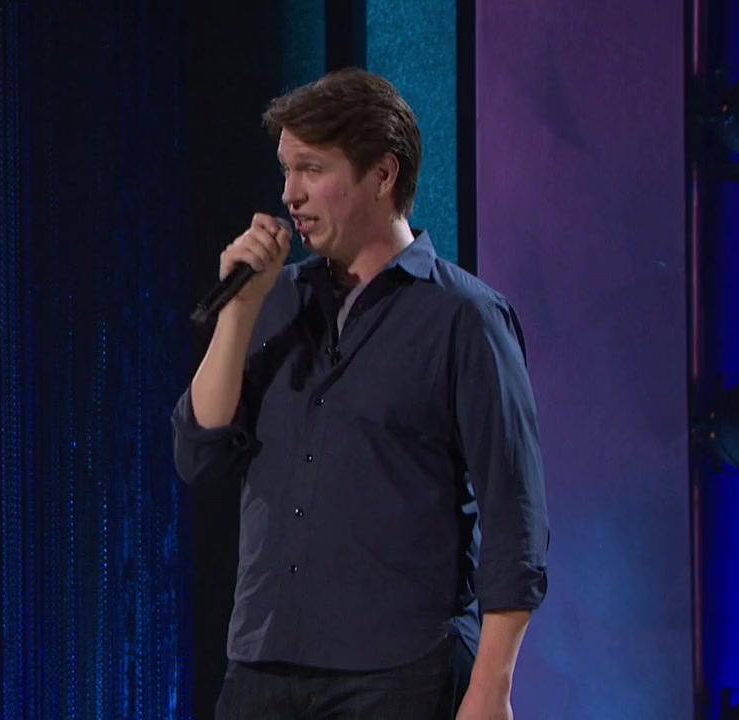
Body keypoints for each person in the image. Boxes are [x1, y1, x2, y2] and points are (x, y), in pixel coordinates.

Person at [170, 68, 549, 720]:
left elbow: (515, 513)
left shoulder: (465, 318)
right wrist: (239, 310)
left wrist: (492, 685)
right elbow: (198, 455)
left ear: (382, 174)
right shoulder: (274, 301)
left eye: (312, 169)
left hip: (400, 671)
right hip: (263, 664)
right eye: (287, 169)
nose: (289, 193)